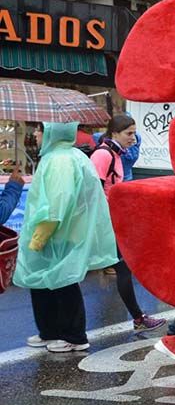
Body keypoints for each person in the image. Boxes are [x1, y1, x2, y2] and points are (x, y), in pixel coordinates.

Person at [14, 122, 118, 352]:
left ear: (51, 132)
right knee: (45, 282)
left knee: (63, 282)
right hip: (64, 231)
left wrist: (39, 238)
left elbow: (56, 205)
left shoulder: (60, 160)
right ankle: (49, 332)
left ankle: (74, 336)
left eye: (39, 130)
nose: (36, 135)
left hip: (58, 233)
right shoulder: (66, 156)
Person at [91, 114, 166, 333]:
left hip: (112, 220)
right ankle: (138, 317)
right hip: (105, 222)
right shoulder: (103, 155)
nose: (134, 138)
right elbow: (95, 191)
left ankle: (138, 317)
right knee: (122, 268)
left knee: (123, 267)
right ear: (114, 133)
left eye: (134, 133)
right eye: (129, 134)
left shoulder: (114, 153)